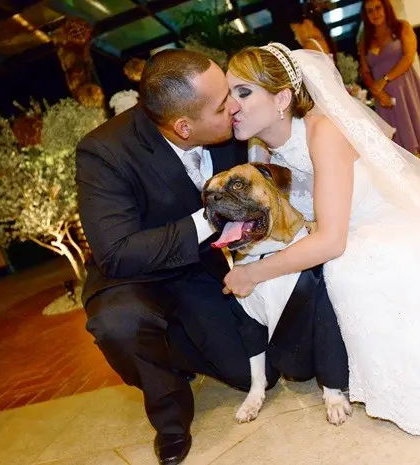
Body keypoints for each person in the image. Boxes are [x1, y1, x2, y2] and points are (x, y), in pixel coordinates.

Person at [223, 42, 420, 435]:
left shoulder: (322, 133)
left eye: (243, 92)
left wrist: (253, 275)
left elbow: (331, 241)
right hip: (335, 233)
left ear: (283, 98)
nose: (231, 106)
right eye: (227, 96)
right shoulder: (262, 149)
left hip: (377, 226)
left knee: (348, 271)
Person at [75, 48, 349, 465]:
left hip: (203, 272)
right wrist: (211, 216)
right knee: (121, 324)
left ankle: (178, 346)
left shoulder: (233, 129)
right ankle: (168, 414)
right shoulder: (103, 152)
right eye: (224, 104)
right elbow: (115, 253)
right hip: (132, 278)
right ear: (184, 126)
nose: (234, 107)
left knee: (258, 373)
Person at [358, 0, 420, 171]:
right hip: (385, 101)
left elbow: (408, 57)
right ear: (366, 16)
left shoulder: (401, 28)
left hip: (407, 93)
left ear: (386, 8)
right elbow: (365, 71)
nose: (375, 14)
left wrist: (384, 80)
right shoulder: (364, 40)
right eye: (370, 11)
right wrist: (378, 92)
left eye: (378, 8)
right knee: (399, 153)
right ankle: (418, 196)